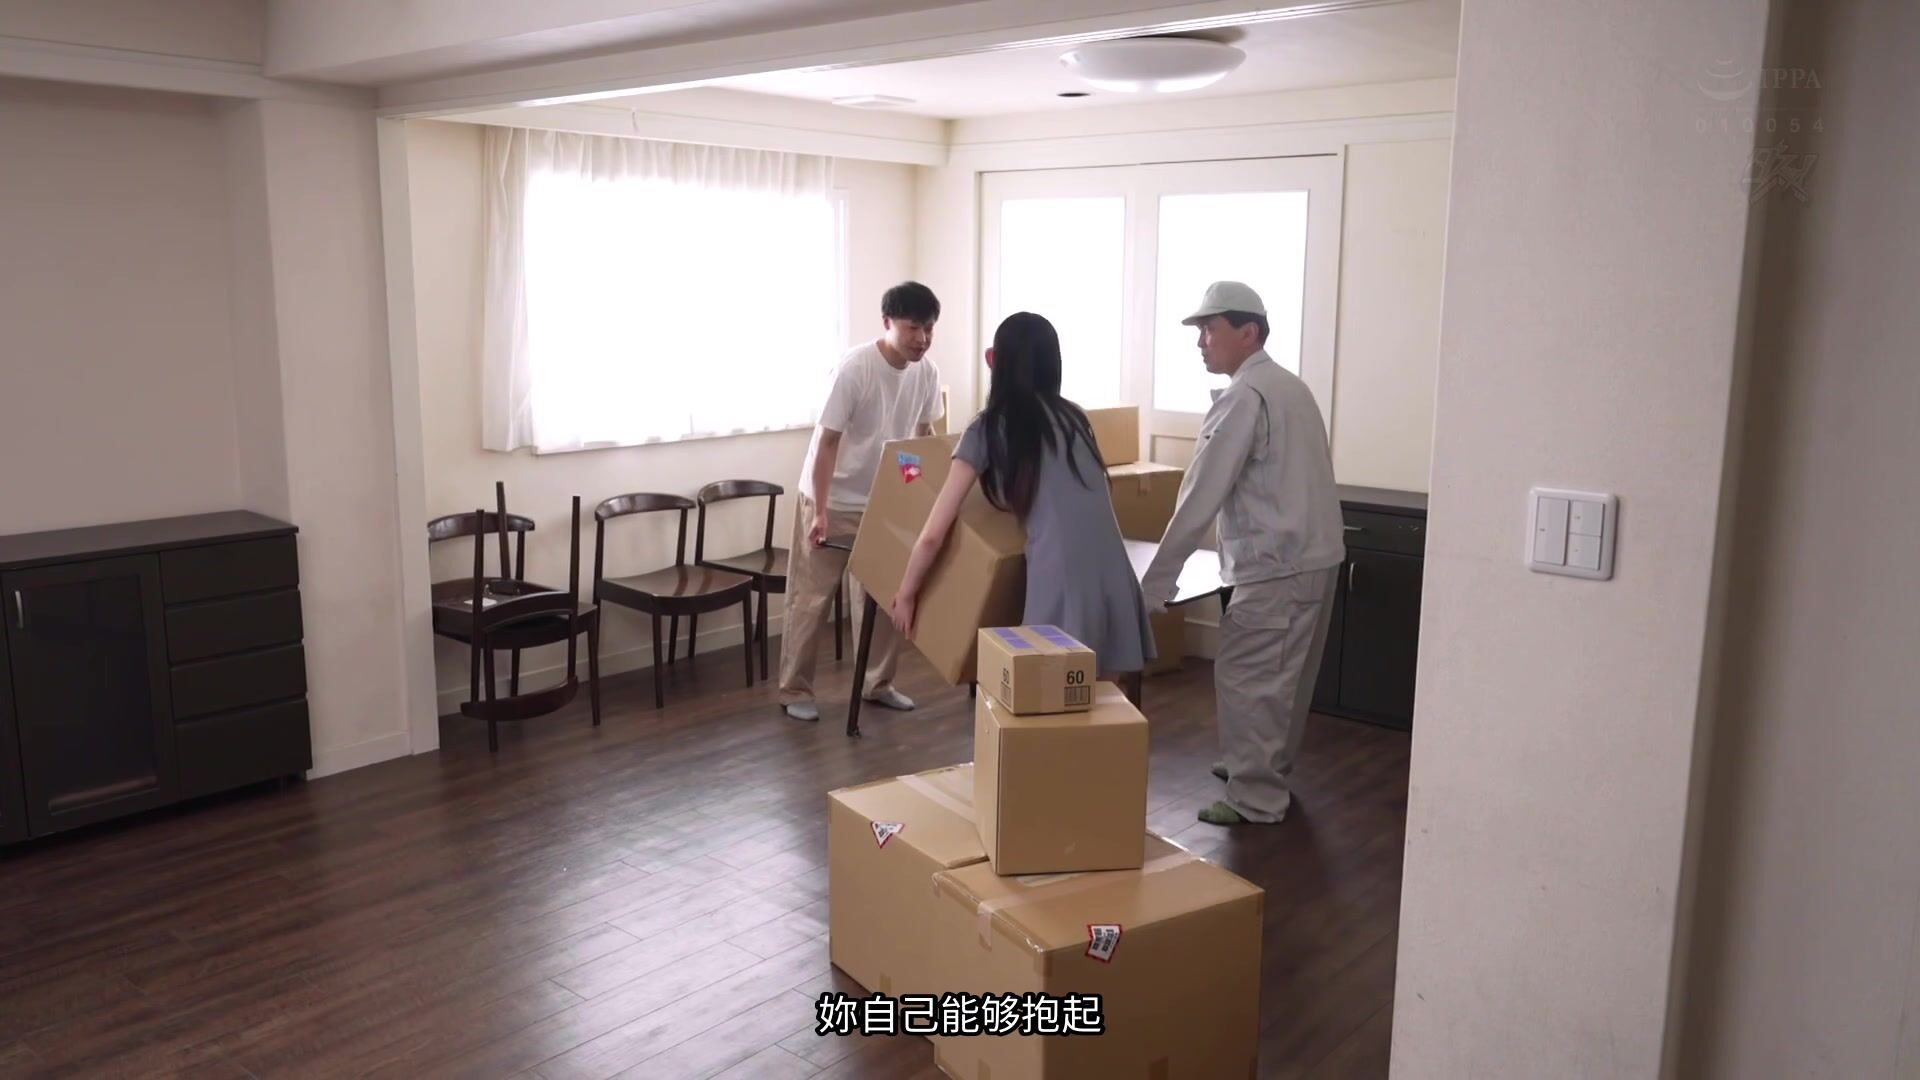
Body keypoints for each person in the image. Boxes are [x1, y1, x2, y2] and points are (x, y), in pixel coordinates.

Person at [1140, 281, 1345, 826]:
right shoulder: (1290, 387)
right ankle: (1259, 766)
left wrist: (1154, 588)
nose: (1200, 341)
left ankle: (1256, 796)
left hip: (1276, 568)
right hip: (1314, 560)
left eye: (1210, 329)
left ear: (1248, 331)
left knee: (1249, 680)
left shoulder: (1244, 397)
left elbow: (1199, 497)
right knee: (1284, 680)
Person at [889, 312, 1155, 683]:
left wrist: (906, 593)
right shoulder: (1075, 419)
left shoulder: (987, 428)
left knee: (1049, 698)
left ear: (994, 362)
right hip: (1115, 571)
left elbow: (934, 532)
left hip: (1063, 576)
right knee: (1102, 706)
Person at [778, 282, 946, 723]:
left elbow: (920, 439)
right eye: (913, 328)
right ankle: (794, 688)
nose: (922, 339)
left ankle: (877, 683)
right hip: (832, 497)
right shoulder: (855, 369)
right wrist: (820, 511)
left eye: (929, 329)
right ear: (887, 322)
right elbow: (826, 442)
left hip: (883, 501)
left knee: (884, 596)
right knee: (810, 599)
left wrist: (915, 496)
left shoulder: (926, 373)